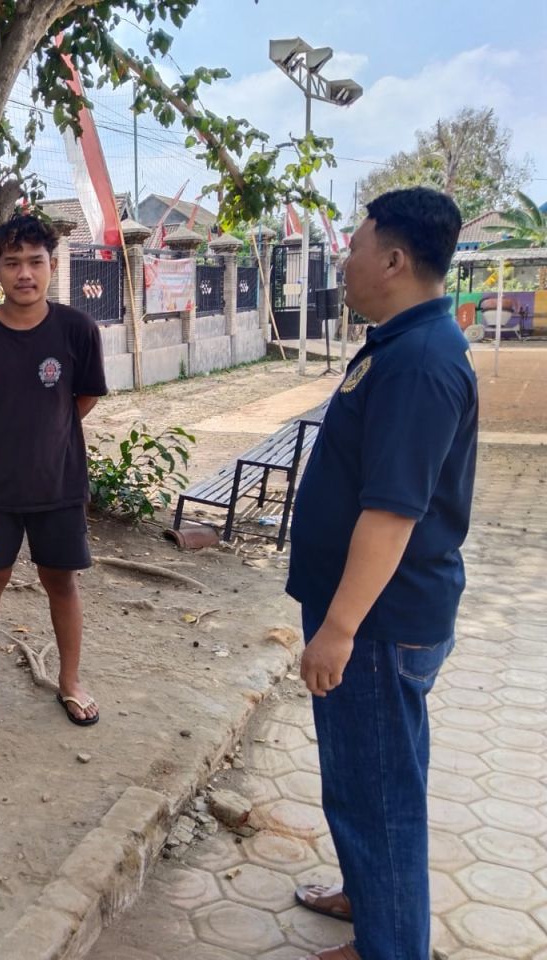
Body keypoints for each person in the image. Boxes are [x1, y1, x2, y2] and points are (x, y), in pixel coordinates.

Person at [285, 187, 476, 960]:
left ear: (394, 260)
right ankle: (369, 897)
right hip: (367, 617)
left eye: (356, 244)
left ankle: (391, 945)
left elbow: (393, 513)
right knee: (361, 776)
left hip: (376, 623)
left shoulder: (421, 364)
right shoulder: (401, 343)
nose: (346, 257)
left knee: (381, 791)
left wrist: (337, 628)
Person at [0, 213, 107, 730]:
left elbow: (82, 399)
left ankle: (71, 680)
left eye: (35, 262)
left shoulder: (76, 329)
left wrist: (47, 430)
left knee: (62, 582)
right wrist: (1, 432)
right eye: (12, 263)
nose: (24, 274)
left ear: (52, 267)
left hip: (59, 484)